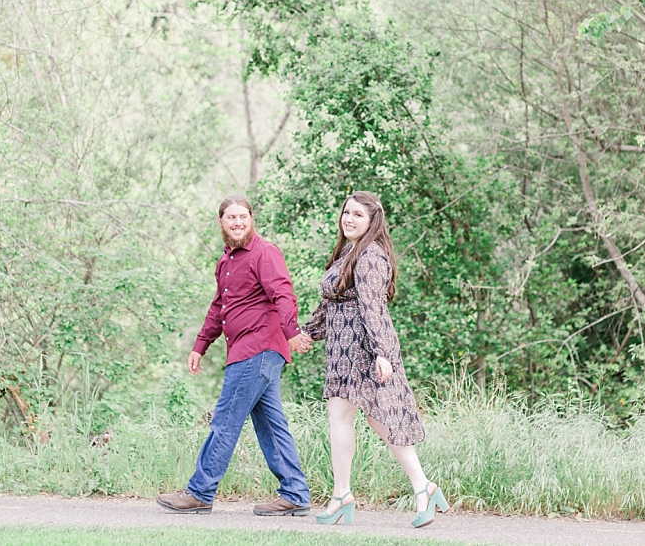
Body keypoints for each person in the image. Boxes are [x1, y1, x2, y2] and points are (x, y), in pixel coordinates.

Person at [300, 191, 450, 528]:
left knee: (375, 418)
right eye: (346, 213)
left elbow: (373, 308)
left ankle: (417, 487)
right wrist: (308, 331)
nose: (349, 219)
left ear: (372, 222)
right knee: (351, 417)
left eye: (357, 215)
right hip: (341, 349)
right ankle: (347, 494)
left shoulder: (371, 256)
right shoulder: (347, 254)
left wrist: (383, 353)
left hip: (364, 350)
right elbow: (331, 303)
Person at [157, 196, 313, 516]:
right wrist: (200, 345)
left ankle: (200, 491)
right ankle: (295, 493)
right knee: (271, 425)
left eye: (243, 216)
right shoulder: (225, 262)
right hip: (250, 351)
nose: (238, 222)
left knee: (225, 420)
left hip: (258, 349)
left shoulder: (264, 253)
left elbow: (282, 292)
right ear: (221, 222)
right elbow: (219, 309)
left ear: (251, 219)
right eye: (231, 217)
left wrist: (292, 330)